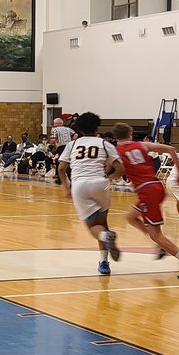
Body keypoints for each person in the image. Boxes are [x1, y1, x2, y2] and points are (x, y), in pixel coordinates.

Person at [111, 122, 179, 279]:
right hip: (156, 187)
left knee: (156, 234)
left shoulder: (117, 151)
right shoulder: (141, 145)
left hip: (147, 191)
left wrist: (108, 178)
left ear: (115, 137)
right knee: (131, 217)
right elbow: (171, 149)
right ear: (131, 133)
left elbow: (119, 172)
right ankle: (159, 245)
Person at [58, 112, 122, 275]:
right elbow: (121, 169)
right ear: (97, 127)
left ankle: (105, 241)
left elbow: (61, 168)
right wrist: (110, 179)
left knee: (94, 228)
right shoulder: (104, 143)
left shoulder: (72, 145)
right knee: (103, 223)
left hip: (80, 185)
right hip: (100, 183)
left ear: (78, 128)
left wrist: (66, 187)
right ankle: (104, 262)